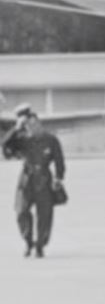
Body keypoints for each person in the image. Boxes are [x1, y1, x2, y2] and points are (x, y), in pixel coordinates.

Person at [1, 104, 66, 258]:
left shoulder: (51, 140)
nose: (32, 126)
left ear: (39, 123)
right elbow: (5, 147)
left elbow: (59, 160)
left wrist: (59, 177)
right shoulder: (22, 139)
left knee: (44, 215)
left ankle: (40, 246)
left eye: (34, 123)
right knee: (21, 211)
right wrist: (16, 129)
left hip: (44, 179)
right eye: (28, 125)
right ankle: (28, 241)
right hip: (26, 179)